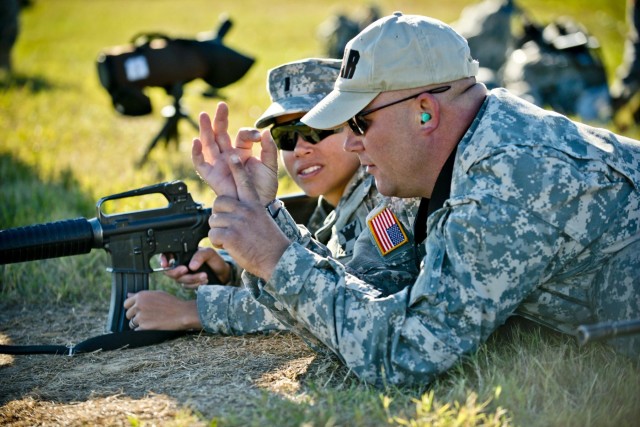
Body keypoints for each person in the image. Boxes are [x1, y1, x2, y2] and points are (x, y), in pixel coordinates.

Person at [195, 12, 640, 386]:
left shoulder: (509, 175)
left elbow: (407, 351)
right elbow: (380, 301)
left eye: (359, 123)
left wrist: (274, 256)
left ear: (425, 110)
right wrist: (266, 220)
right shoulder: (474, 145)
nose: (350, 144)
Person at [123, 58, 419, 334]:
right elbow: (318, 264)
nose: (300, 148)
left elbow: (346, 300)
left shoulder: (386, 201)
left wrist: (192, 312)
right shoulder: (333, 207)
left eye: (317, 130)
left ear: (356, 125)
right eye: (286, 136)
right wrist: (234, 268)